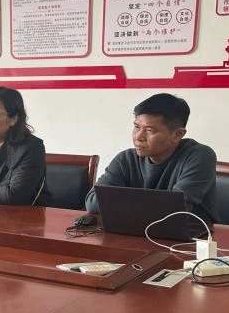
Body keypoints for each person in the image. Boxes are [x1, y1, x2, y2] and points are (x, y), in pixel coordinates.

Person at [84, 93, 218, 224]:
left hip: (193, 235)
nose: (138, 137)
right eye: (137, 127)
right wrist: (150, 203)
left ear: (177, 134)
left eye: (149, 130)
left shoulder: (200, 156)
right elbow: (93, 201)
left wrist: (119, 200)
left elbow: (175, 210)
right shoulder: (125, 159)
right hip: (135, 232)